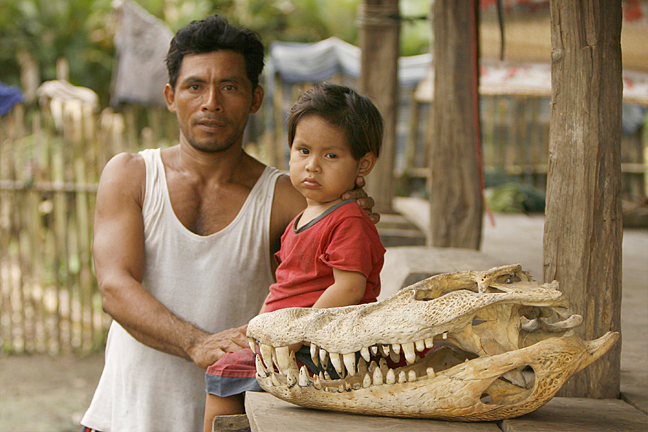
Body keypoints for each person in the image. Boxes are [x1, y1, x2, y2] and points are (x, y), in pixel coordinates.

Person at [81, 16, 377, 432]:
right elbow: (115, 287)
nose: (212, 102)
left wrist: (351, 206)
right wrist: (196, 343)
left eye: (230, 87)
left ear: (255, 99)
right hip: (122, 417)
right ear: (170, 96)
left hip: (234, 420)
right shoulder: (131, 174)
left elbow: (330, 282)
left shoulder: (287, 199)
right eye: (195, 86)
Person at [202, 83, 386, 431]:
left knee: (226, 369)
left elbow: (348, 288)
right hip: (290, 338)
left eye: (331, 156)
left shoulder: (348, 219)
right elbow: (284, 287)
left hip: (324, 346)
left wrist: (296, 333)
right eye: (303, 151)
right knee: (231, 362)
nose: (312, 166)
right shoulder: (301, 220)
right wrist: (255, 328)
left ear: (363, 163)